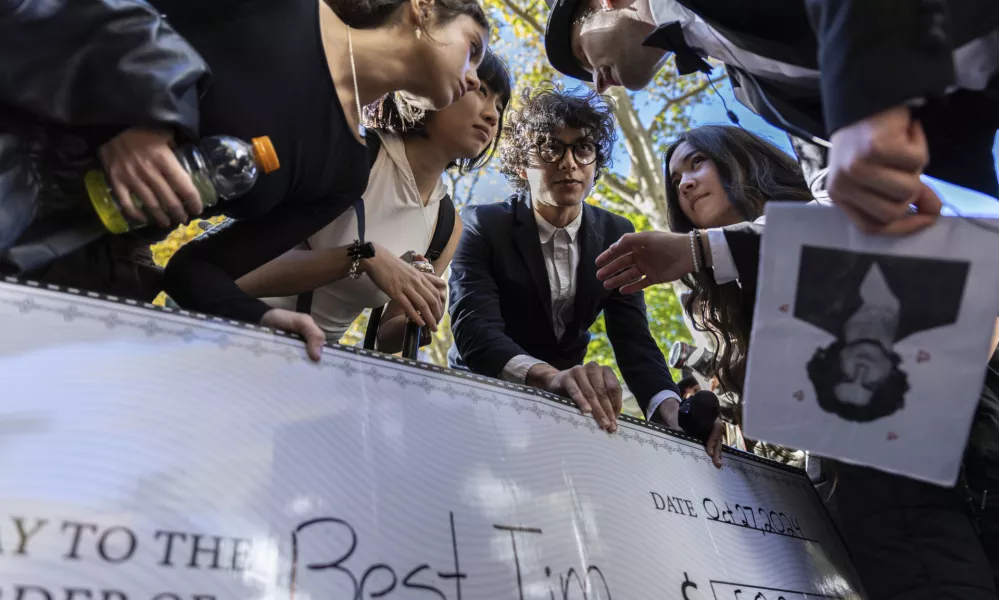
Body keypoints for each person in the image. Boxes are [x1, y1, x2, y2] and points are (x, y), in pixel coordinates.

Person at [596, 124, 999, 598]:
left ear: (742, 160)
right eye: (675, 178)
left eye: (696, 163)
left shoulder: (833, 208)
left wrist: (700, 250)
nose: (683, 182)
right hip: (867, 518)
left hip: (964, 469)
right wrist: (716, 420)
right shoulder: (718, 302)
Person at [540, 0, 999, 234]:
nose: (598, 85)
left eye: (583, 55)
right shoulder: (748, 90)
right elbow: (823, 173)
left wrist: (864, 104)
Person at [447, 85, 716, 464]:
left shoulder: (615, 234)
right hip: (480, 394)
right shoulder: (480, 224)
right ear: (521, 165)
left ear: (595, 164)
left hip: (567, 404)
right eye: (550, 148)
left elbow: (634, 342)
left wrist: (672, 411)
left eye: (583, 148)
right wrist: (551, 377)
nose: (568, 162)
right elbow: (475, 331)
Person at [236, 51, 512, 350]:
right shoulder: (350, 154)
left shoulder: (446, 227)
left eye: (499, 106)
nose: (492, 115)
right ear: (432, 86)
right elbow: (237, 275)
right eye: (481, 91)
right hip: (231, 333)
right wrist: (362, 257)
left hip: (309, 367)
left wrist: (420, 318)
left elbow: (385, 338)